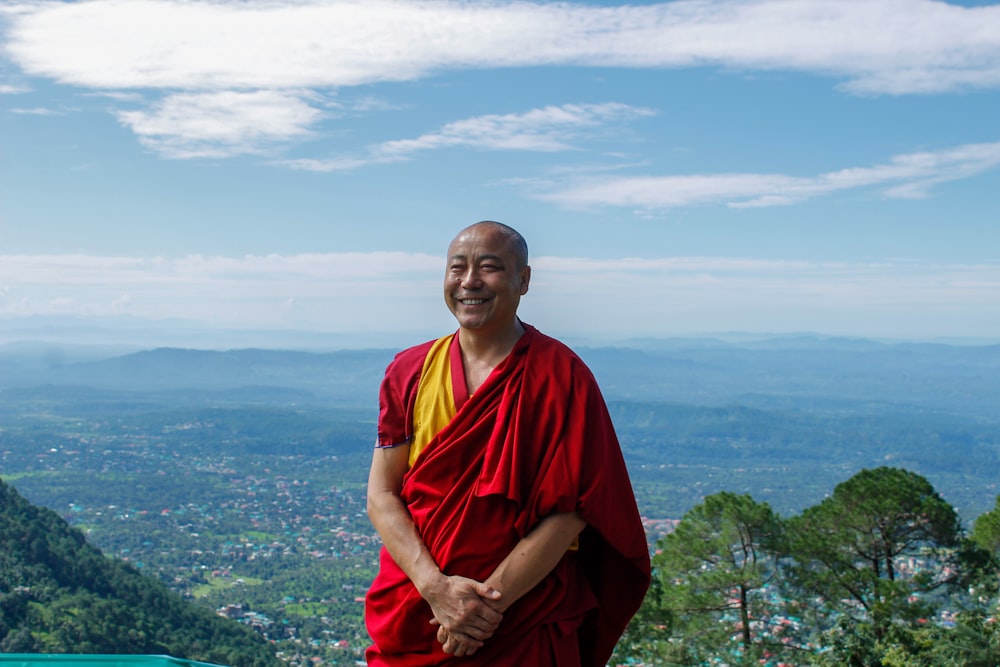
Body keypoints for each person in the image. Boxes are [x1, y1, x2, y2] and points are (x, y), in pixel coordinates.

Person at [365, 221, 650, 666]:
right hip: (420, 609)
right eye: (457, 267)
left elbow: (573, 509)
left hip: (523, 618)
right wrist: (436, 590)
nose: (470, 281)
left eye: (490, 267)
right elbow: (382, 494)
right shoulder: (410, 371)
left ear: (524, 280)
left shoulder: (561, 376)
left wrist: (485, 608)